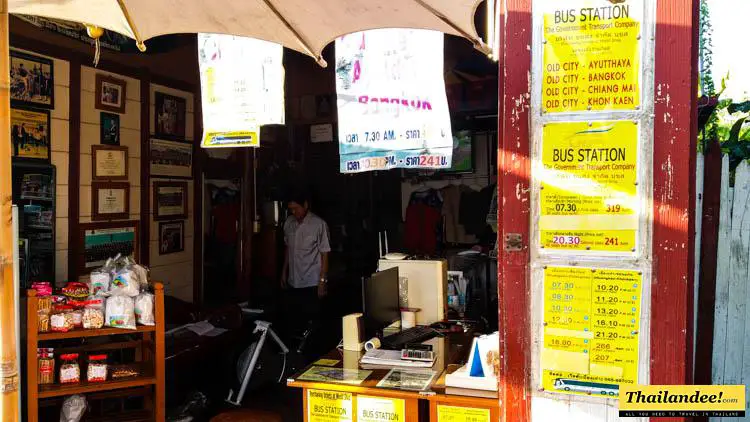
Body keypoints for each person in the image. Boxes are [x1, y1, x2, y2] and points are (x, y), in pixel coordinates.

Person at [280, 192, 331, 340]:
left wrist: (322, 281)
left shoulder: (319, 224)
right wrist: (284, 272)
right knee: (294, 323)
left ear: (306, 205)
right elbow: (288, 249)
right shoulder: (289, 223)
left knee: (312, 326)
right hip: (293, 281)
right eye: (291, 209)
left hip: (311, 282)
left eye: (296, 208)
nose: (294, 212)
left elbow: (325, 253)